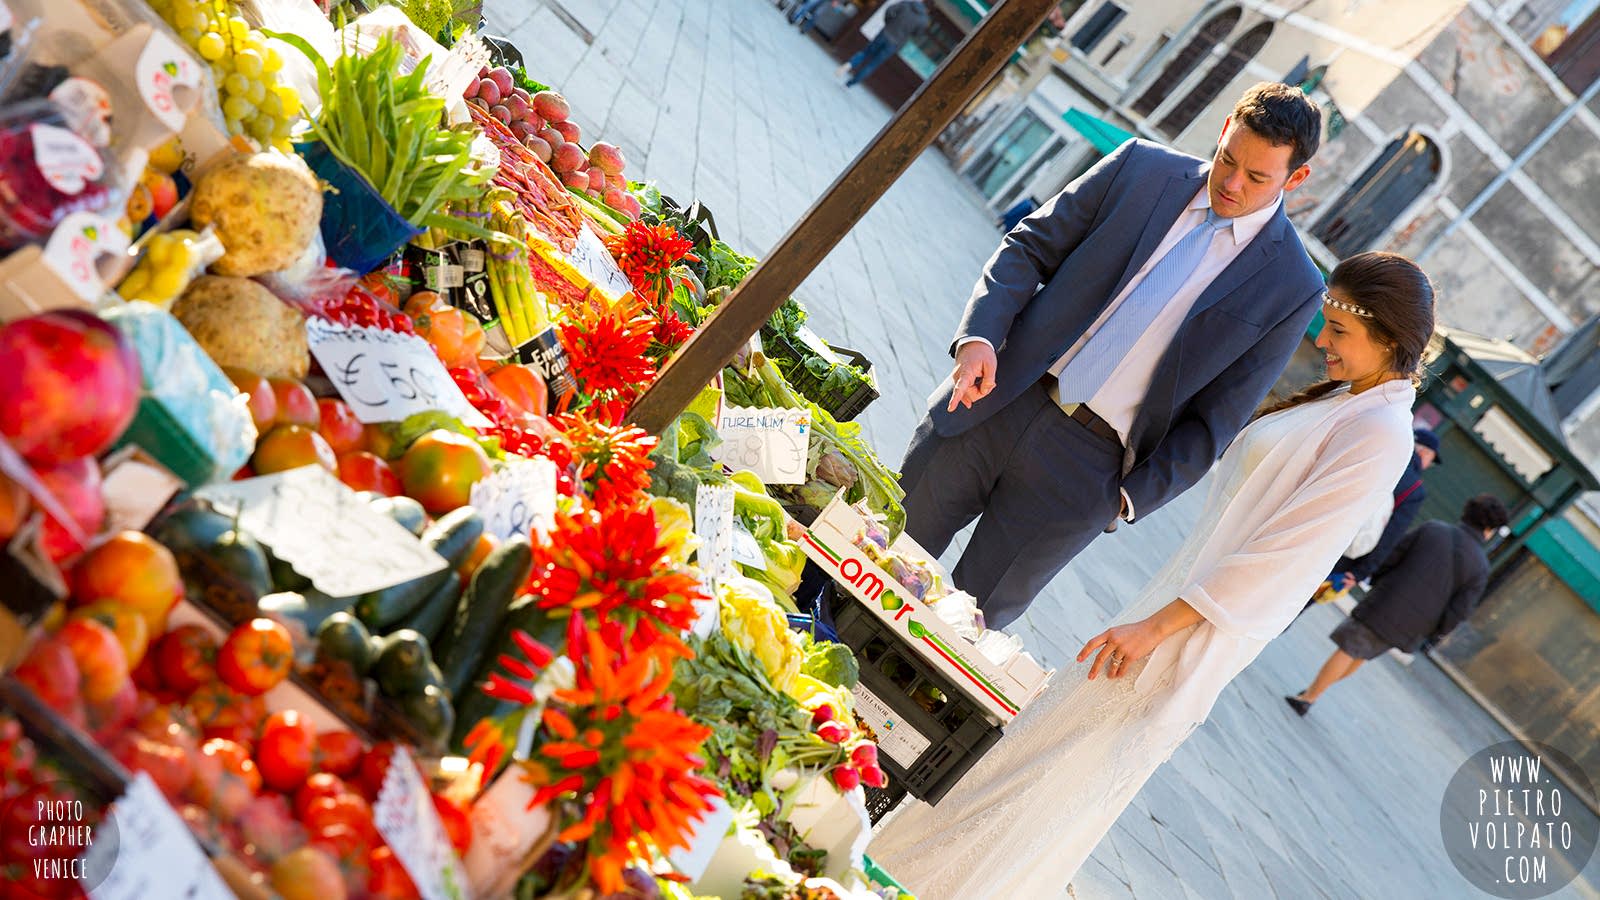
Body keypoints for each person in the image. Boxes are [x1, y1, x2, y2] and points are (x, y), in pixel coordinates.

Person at [868, 252, 1436, 898]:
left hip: (1189, 634)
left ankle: (920, 881)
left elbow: (1283, 561)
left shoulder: (1381, 432)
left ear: (1389, 340)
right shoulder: (1351, 402)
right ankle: (909, 870)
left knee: (1046, 775)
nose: (1322, 341)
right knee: (1035, 759)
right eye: (1326, 323)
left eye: (1339, 331)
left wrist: (1154, 629)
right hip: (1173, 609)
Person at [899, 83, 1325, 629]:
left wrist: (1124, 499)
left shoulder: (1293, 285)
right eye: (1228, 159)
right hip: (995, 398)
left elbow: (1218, 421)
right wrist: (979, 336)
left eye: (1258, 177)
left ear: (1297, 179)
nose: (1232, 183)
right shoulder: (1139, 169)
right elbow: (1029, 245)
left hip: (1085, 473)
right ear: (1223, 131)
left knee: (960, 627)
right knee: (873, 543)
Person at [1285, 493, 1509, 716]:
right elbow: (1460, 610)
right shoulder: (1481, 568)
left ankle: (1308, 698)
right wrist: (1433, 631)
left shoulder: (1433, 529)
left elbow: (1393, 556)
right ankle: (1314, 692)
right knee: (1360, 656)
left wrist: (1375, 580)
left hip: (1387, 602)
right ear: (1489, 529)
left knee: (1349, 650)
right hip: (1415, 625)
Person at [1297, 426, 1441, 615]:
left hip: (1316, 528)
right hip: (1344, 553)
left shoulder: (1382, 453)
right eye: (1431, 459)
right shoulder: (1414, 489)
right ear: (1423, 452)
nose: (1429, 465)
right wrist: (1359, 573)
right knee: (1296, 601)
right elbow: (1390, 536)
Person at [834, 0, 928, 87]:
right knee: (872, 64)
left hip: (885, 33)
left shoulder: (907, 4)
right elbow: (917, 34)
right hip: (895, 43)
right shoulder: (923, 20)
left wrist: (888, 23)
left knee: (865, 53)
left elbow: (889, 10)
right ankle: (849, 84)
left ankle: (850, 64)